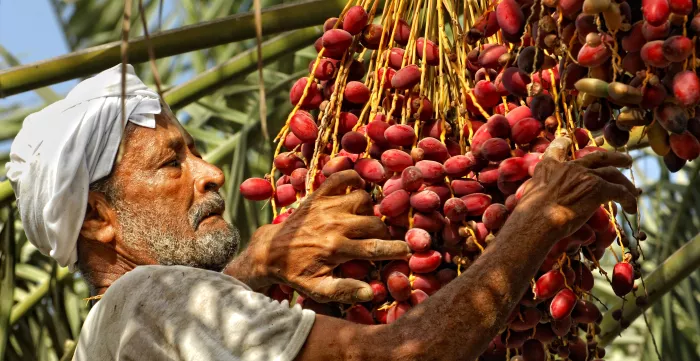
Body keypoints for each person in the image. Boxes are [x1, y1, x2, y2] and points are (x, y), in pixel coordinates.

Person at [5, 64, 639, 361]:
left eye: (198, 150)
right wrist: (539, 220)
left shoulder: (103, 341)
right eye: (173, 162)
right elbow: (409, 355)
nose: (212, 171)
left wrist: (255, 262)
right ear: (97, 220)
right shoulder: (146, 298)